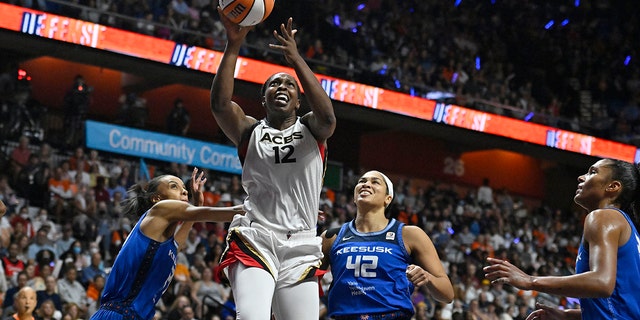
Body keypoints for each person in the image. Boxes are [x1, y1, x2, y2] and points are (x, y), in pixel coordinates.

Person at [210, 7, 336, 319]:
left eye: (289, 85)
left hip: (302, 242)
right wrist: (233, 43)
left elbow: (329, 117)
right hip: (257, 236)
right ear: (264, 98)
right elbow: (220, 104)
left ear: (298, 100)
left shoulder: (311, 129)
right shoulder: (249, 130)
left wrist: (295, 60)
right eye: (274, 85)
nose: (282, 87)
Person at [484, 158, 640, 319]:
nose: (581, 177)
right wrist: (567, 315)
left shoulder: (603, 216)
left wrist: (530, 281)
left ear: (613, 187)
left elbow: (602, 283)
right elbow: (622, 304)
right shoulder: (629, 230)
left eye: (593, 172)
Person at [90, 168, 243, 320]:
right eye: (174, 186)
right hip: (117, 315)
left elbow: (179, 244)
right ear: (156, 198)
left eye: (184, 188)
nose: (184, 191)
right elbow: (212, 213)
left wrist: (197, 204)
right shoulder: (160, 208)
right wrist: (253, 209)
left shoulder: (165, 242)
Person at [320, 170, 454, 320]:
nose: (366, 184)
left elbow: (447, 294)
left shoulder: (410, 234)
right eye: (362, 181)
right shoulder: (330, 237)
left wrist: (428, 277)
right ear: (354, 197)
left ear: (388, 198)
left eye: (375, 182)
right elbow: (305, 280)